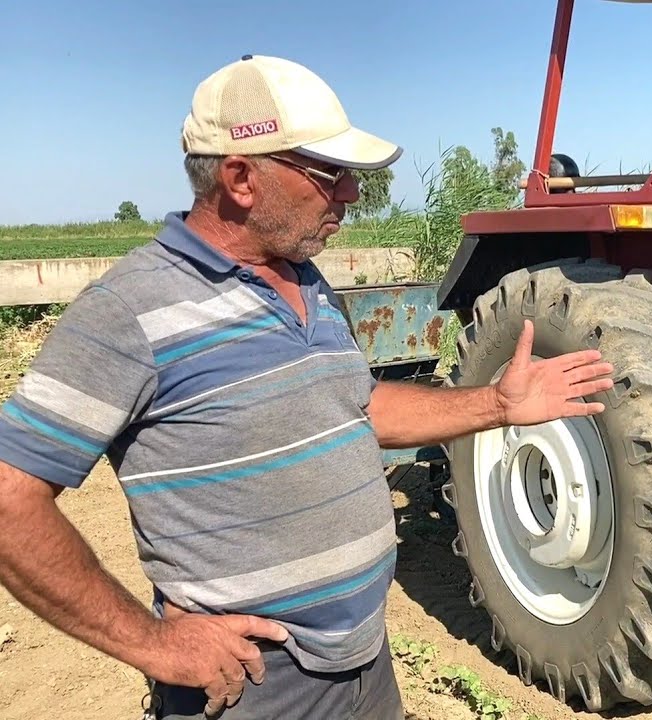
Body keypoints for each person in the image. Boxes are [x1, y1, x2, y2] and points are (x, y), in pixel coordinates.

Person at [0, 55, 614, 719]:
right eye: (331, 174)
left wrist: (495, 405)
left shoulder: (306, 282)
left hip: (364, 662)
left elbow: (357, 407)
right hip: (254, 685)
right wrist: (153, 644)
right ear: (240, 177)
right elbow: (11, 501)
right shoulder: (129, 310)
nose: (352, 193)